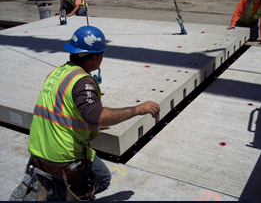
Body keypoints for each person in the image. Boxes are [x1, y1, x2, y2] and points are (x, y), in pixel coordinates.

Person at [10, 25, 160, 201]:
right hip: (63, 158)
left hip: (38, 153)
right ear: (95, 58)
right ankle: (60, 194)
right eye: (102, 55)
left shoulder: (56, 73)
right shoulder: (81, 82)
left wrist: (87, 124)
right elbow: (95, 115)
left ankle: (49, 187)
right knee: (102, 178)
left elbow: (62, 110)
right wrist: (138, 109)